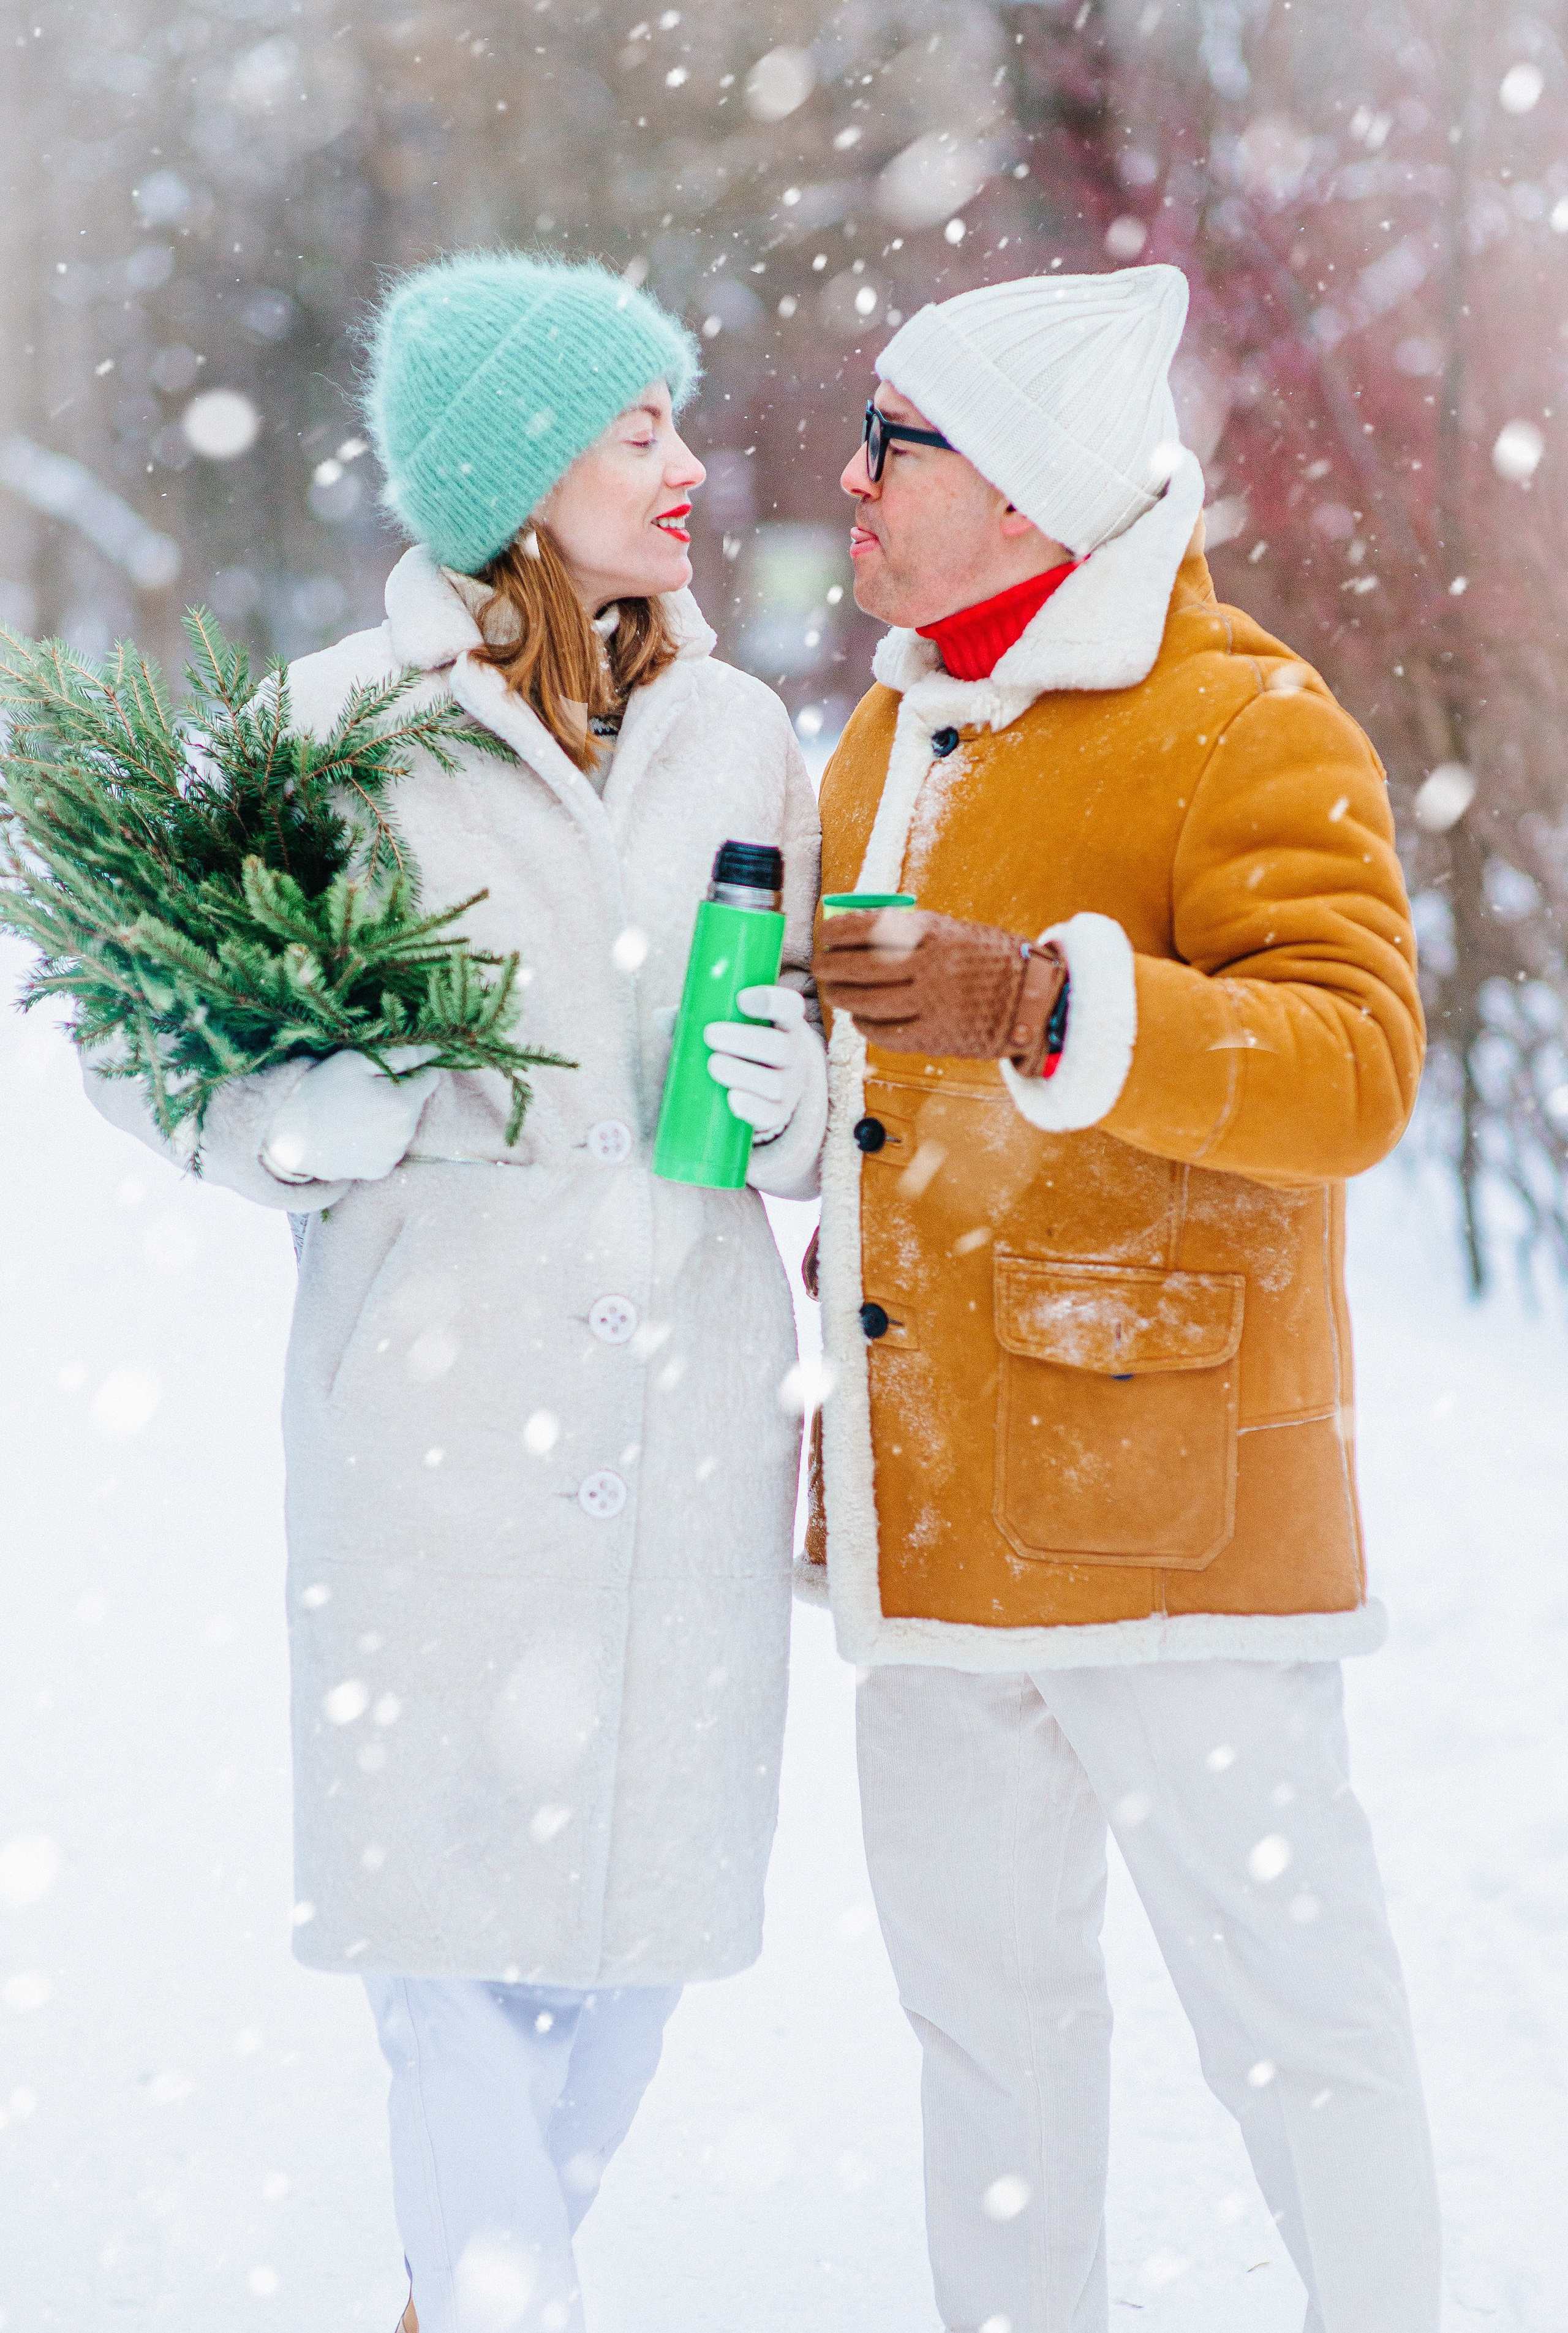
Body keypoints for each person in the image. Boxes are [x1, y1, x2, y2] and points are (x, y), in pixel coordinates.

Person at [86, 253, 825, 2333]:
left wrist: (797, 1102)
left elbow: (808, 1063)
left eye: (675, 422)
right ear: (520, 472)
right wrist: (294, 1117)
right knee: (448, 1972)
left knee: (635, 1964)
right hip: (434, 1426)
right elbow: (149, 1033)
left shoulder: (748, 732)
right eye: (639, 428)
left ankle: (461, 2295)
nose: (684, 464)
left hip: (680, 1414)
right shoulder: (329, 735)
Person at [805, 266, 1440, 2333]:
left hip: (1177, 1523)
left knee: (1297, 2016)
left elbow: (1353, 1068)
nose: (853, 474)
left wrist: (1037, 999)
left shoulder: (1248, 718)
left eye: (896, 440)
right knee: (986, 2033)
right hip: (933, 1509)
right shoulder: (885, 734)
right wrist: (802, 1122)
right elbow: (884, 1104)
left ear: (1030, 490)